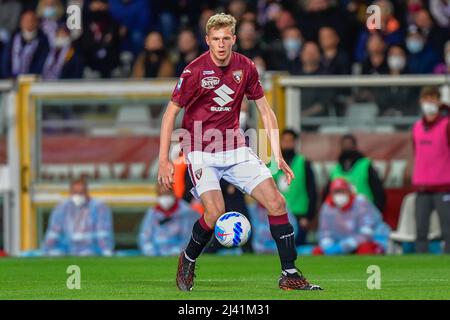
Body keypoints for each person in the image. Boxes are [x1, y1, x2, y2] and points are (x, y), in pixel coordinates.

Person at [158, 13, 322, 291]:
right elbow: (170, 114)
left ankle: (290, 274)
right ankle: (188, 258)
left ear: (234, 39)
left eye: (226, 39)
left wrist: (277, 154)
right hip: (201, 150)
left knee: (277, 203)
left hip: (236, 148)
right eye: (215, 39)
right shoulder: (194, 71)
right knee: (214, 212)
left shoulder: (246, 67)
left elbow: (265, 110)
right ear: (207, 40)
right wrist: (164, 159)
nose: (221, 44)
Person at [411, 86, 450, 253]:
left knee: (448, 230)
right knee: (420, 231)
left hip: (444, 186)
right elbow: (416, 153)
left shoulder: (447, 125)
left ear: (439, 101)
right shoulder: (417, 127)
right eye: (426, 99)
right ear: (421, 101)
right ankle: (420, 269)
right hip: (422, 186)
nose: (429, 102)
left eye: (433, 98)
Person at [314, 178, 391, 255]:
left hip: (372, 240)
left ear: (348, 191)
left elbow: (367, 233)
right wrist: (328, 246)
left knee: (365, 249)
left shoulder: (361, 203)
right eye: (336, 192)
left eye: (342, 191)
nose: (339, 195)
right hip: (340, 244)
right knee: (318, 251)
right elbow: (324, 232)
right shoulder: (327, 208)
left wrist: (345, 246)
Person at [42, 178, 114, 256]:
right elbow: (53, 233)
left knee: (88, 254)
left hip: (91, 251)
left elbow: (102, 234)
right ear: (70, 192)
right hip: (66, 251)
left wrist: (107, 252)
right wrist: (45, 251)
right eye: (75, 192)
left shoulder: (99, 207)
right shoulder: (61, 208)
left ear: (87, 192)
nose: (78, 196)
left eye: (81, 192)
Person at [270, 129, 317, 246]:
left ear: (295, 143)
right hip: (279, 214)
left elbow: (312, 190)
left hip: (299, 215)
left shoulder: (304, 163)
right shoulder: (273, 164)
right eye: (284, 141)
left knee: (297, 247)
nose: (287, 144)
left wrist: (308, 217)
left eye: (290, 141)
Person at [325, 134, 386, 213]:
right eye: (344, 145)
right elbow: (328, 196)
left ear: (355, 146)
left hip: (364, 215)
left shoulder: (365, 165)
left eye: (349, 145)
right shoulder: (335, 169)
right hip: (341, 216)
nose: (347, 147)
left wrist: (374, 213)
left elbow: (379, 193)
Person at [139, 183, 198, 256]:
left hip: (178, 254)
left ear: (173, 193)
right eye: (161, 194)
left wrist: (177, 251)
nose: (165, 197)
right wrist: (150, 251)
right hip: (155, 254)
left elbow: (189, 237)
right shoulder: (152, 213)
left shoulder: (185, 211)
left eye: (167, 193)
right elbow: (145, 236)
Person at [1, 10, 50, 78]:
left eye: (31, 20)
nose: (28, 23)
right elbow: (5, 61)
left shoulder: (43, 40)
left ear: (37, 23)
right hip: (11, 81)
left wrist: (28, 78)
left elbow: (42, 63)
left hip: (33, 81)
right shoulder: (13, 38)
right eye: (26, 20)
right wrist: (8, 77)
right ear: (21, 22)